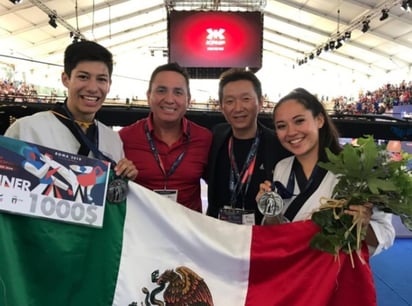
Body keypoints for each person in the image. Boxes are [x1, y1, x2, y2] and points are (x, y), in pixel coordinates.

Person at [256, 88, 395, 255]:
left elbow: (386, 234)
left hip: (333, 273)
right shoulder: (282, 167)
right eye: (281, 126)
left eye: (299, 121)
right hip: (292, 272)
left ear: (320, 120)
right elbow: (277, 232)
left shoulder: (355, 170)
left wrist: (363, 224)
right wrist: (270, 210)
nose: (291, 132)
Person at [5, 40, 137, 181]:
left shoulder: (112, 139)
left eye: (101, 79)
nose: (92, 87)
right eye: (83, 77)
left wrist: (125, 177)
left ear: (109, 84)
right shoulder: (27, 129)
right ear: (66, 79)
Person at [119, 62, 212, 212]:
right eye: (161, 90)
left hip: (187, 232)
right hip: (139, 230)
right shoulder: (124, 138)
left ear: (188, 99)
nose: (169, 99)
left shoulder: (204, 139)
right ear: (149, 95)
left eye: (178, 92)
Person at [206, 68, 290, 225]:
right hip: (217, 235)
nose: (238, 108)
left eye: (246, 99)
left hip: (260, 238)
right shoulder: (215, 137)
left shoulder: (278, 144)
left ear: (260, 102)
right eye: (230, 101)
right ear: (221, 106)